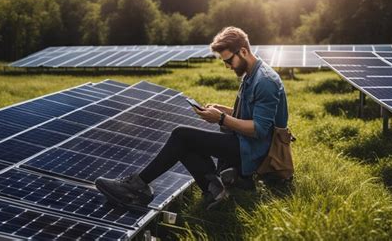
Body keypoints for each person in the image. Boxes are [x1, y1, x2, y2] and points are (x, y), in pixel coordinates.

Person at [95, 26, 288, 210]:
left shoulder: (265, 81)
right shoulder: (250, 75)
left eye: (229, 61)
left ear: (243, 52)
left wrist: (221, 119)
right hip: (244, 143)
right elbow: (253, 115)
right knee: (185, 144)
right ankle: (216, 189)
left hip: (255, 151)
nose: (228, 67)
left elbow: (259, 130)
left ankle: (136, 186)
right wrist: (225, 111)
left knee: (181, 136)